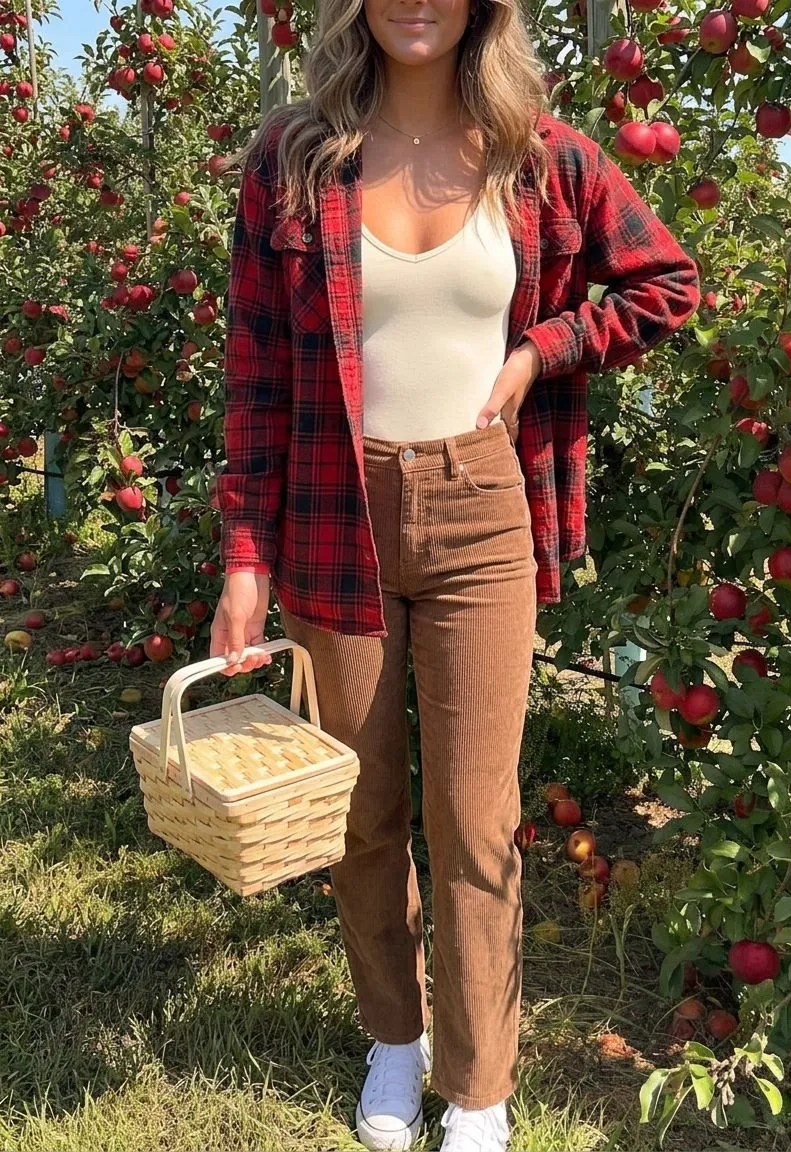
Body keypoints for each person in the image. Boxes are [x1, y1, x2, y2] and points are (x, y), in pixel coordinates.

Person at [211, 2, 700, 1148]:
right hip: (339, 507)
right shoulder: (292, 158)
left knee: (475, 818)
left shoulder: (545, 155)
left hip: (485, 506)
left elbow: (663, 281)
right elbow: (256, 375)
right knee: (366, 813)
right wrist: (245, 552)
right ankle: (396, 1043)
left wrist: (544, 348)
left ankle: (479, 1084)